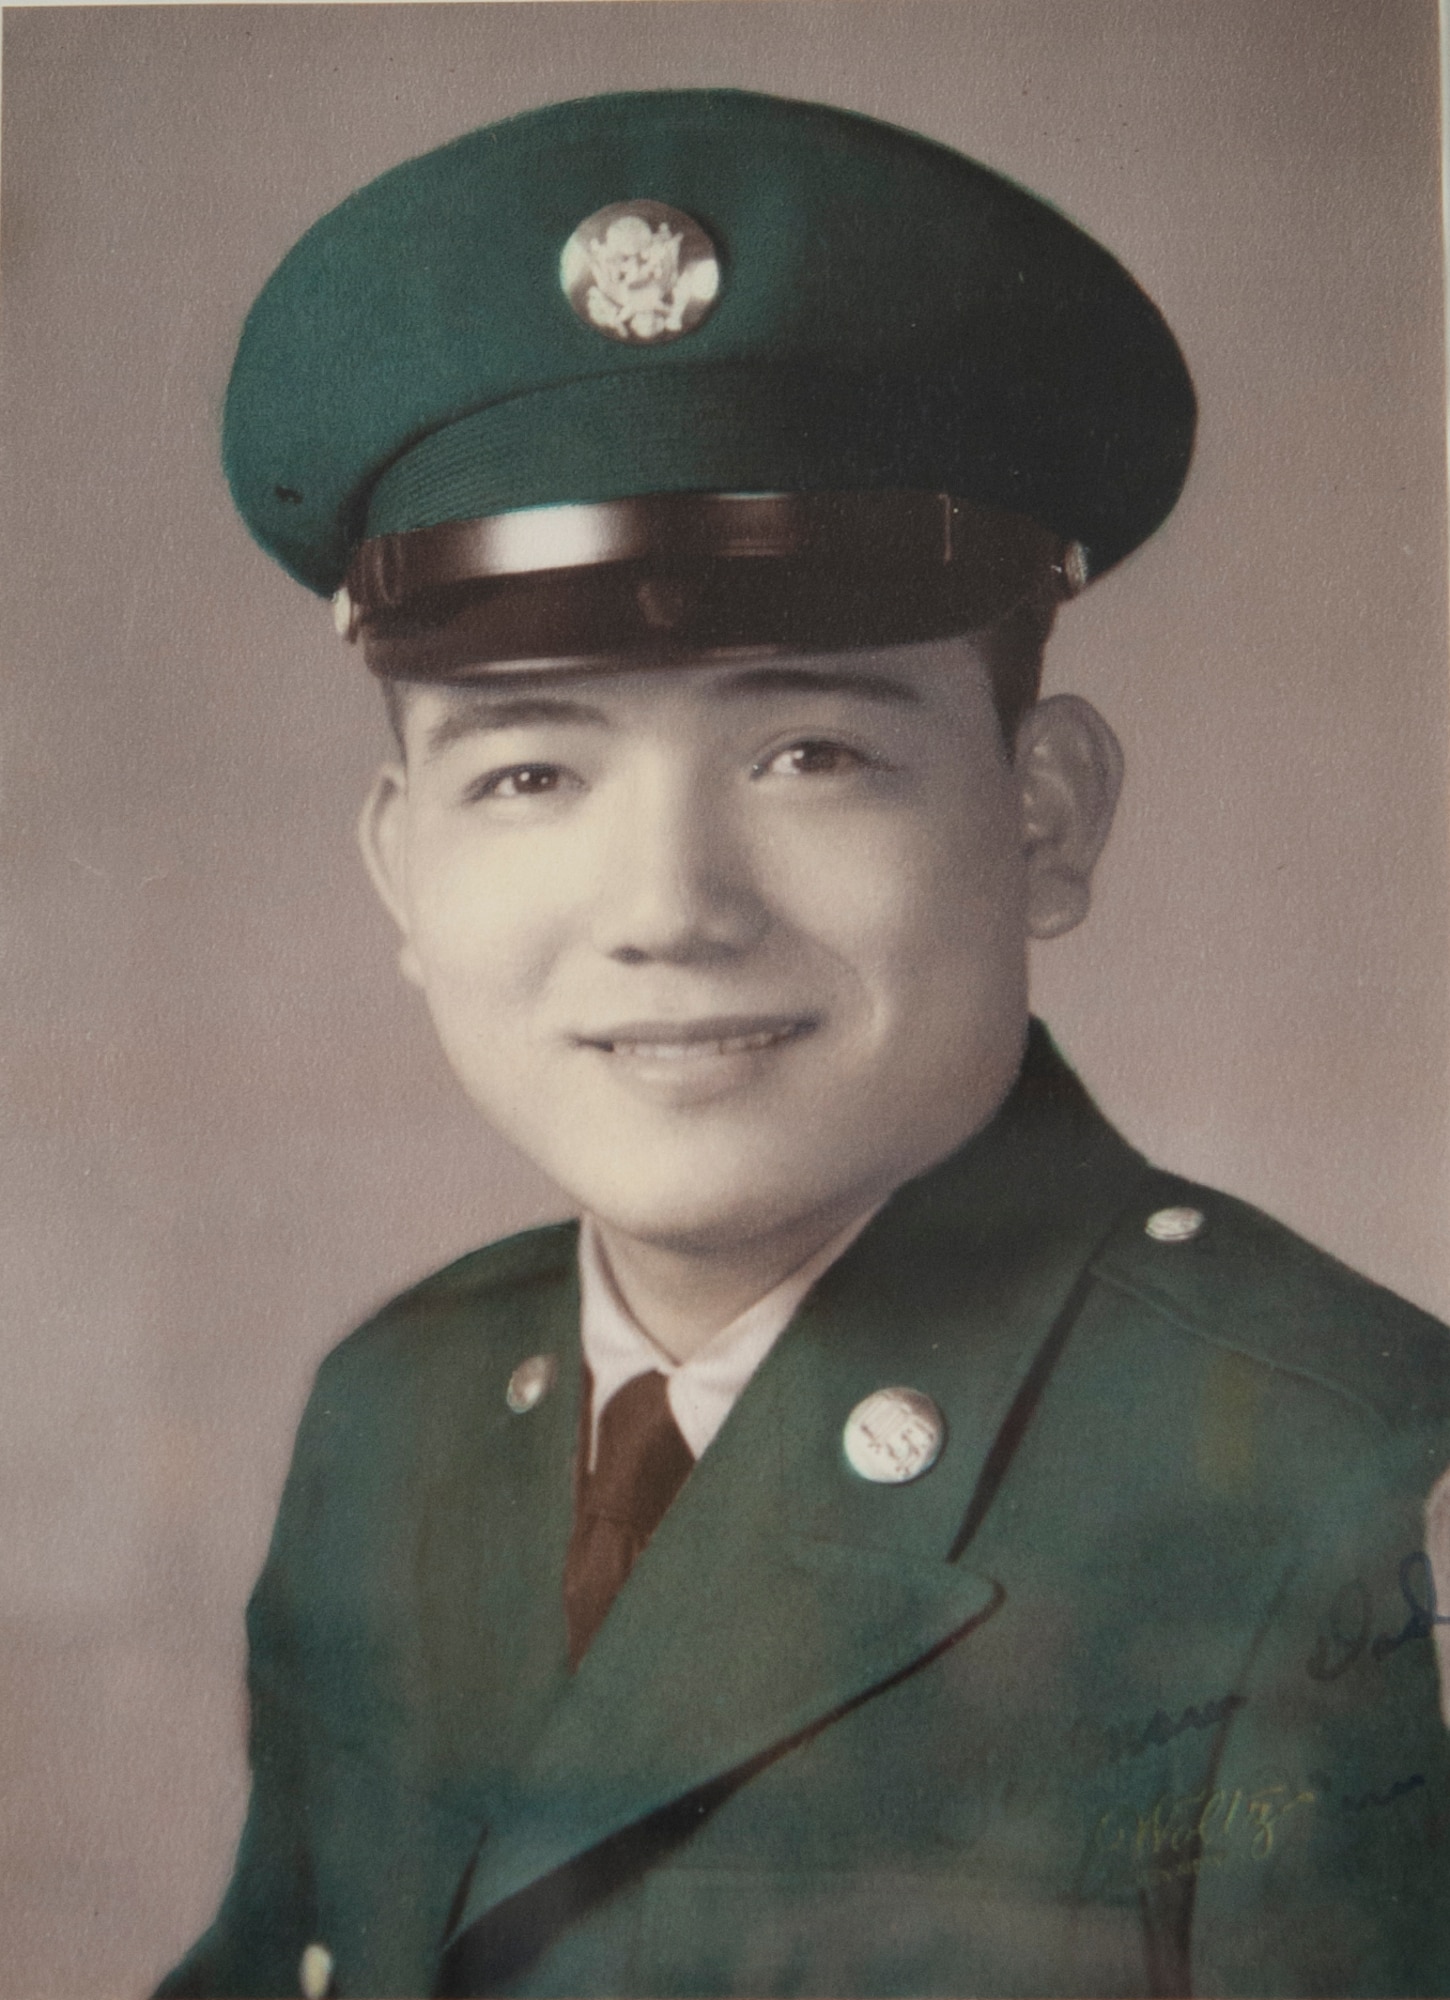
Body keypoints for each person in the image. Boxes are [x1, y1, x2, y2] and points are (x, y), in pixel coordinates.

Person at [157, 88, 1450, 2000]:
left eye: (811, 754)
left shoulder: (1324, 1477)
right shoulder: (399, 1418)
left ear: (1044, 815)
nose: (668, 901)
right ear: (399, 872)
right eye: (527, 769)